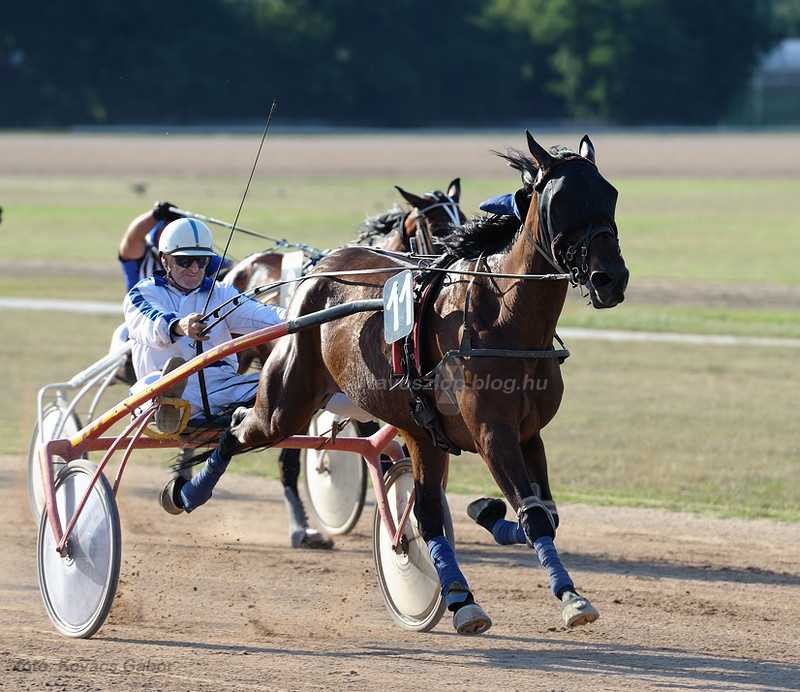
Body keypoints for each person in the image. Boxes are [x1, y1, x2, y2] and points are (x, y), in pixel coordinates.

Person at [124, 218, 366, 547]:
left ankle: (369, 403)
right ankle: (168, 403)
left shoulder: (220, 293)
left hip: (225, 390)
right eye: (184, 260)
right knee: (159, 383)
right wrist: (180, 325)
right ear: (165, 259)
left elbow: (266, 317)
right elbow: (151, 321)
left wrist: (317, 320)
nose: (194, 268)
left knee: (302, 386)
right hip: (159, 389)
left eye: (202, 260)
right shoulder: (143, 293)